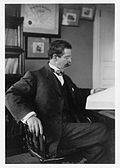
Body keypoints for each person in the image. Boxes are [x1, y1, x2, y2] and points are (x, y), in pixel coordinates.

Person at [6, 40, 109, 163]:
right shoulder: (35, 76)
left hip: (68, 128)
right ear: (55, 57)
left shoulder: (65, 78)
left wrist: (92, 91)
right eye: (67, 57)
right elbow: (10, 95)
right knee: (103, 128)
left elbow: (76, 94)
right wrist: (29, 116)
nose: (70, 61)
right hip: (51, 132)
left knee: (97, 148)